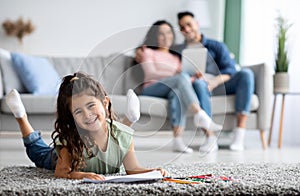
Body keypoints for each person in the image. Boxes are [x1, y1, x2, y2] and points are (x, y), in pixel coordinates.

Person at [5, 72, 169, 179]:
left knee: (116, 133)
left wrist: (153, 172)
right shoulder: (70, 139)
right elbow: (61, 172)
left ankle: (130, 117)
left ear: (105, 102)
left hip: (114, 133)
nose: (87, 115)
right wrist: (81, 175)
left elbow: (132, 169)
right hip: (56, 158)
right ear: (72, 117)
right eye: (78, 111)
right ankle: (21, 117)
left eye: (91, 106)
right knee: (38, 152)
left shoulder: (124, 136)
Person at [137, 20, 222, 154]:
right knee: (181, 77)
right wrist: (178, 74)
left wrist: (196, 77)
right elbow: (151, 73)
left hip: (172, 88)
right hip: (152, 89)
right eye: (161, 34)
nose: (165, 37)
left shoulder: (176, 58)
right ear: (155, 36)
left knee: (177, 92)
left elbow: (184, 79)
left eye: (168, 33)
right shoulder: (147, 51)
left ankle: (178, 141)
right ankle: (199, 114)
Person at [176, 11, 254, 151]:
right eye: (182, 27)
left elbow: (230, 69)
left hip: (220, 83)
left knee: (246, 74)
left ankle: (239, 135)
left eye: (189, 24)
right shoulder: (179, 50)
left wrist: (215, 81)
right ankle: (210, 138)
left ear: (197, 24)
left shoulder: (216, 46)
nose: (186, 29)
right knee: (200, 83)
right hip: (199, 86)